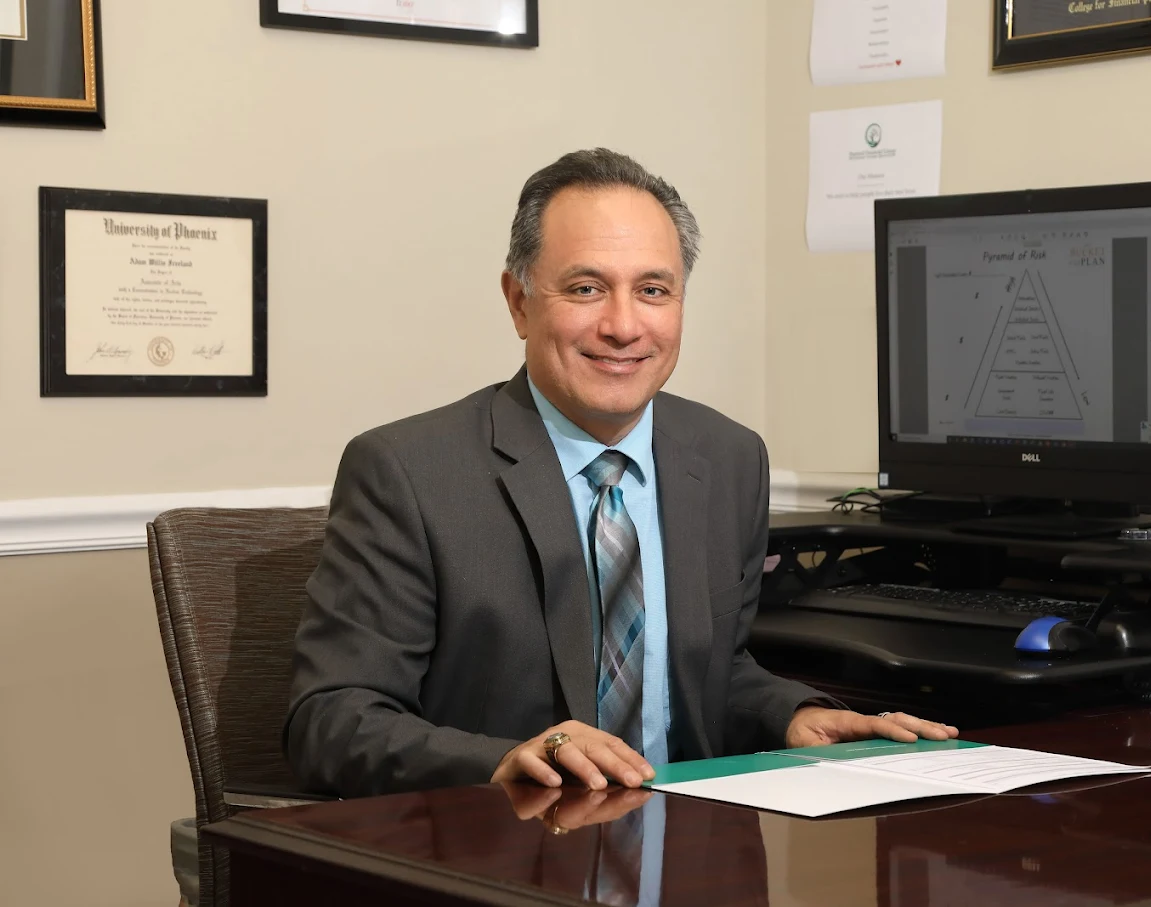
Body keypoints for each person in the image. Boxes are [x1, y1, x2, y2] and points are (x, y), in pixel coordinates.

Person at [285, 148, 956, 798]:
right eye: (586, 289)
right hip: (505, 844)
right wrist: (503, 761)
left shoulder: (728, 458)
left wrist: (791, 715)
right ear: (518, 302)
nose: (624, 326)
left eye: (653, 290)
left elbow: (706, 673)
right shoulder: (408, 472)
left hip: (689, 842)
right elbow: (331, 720)